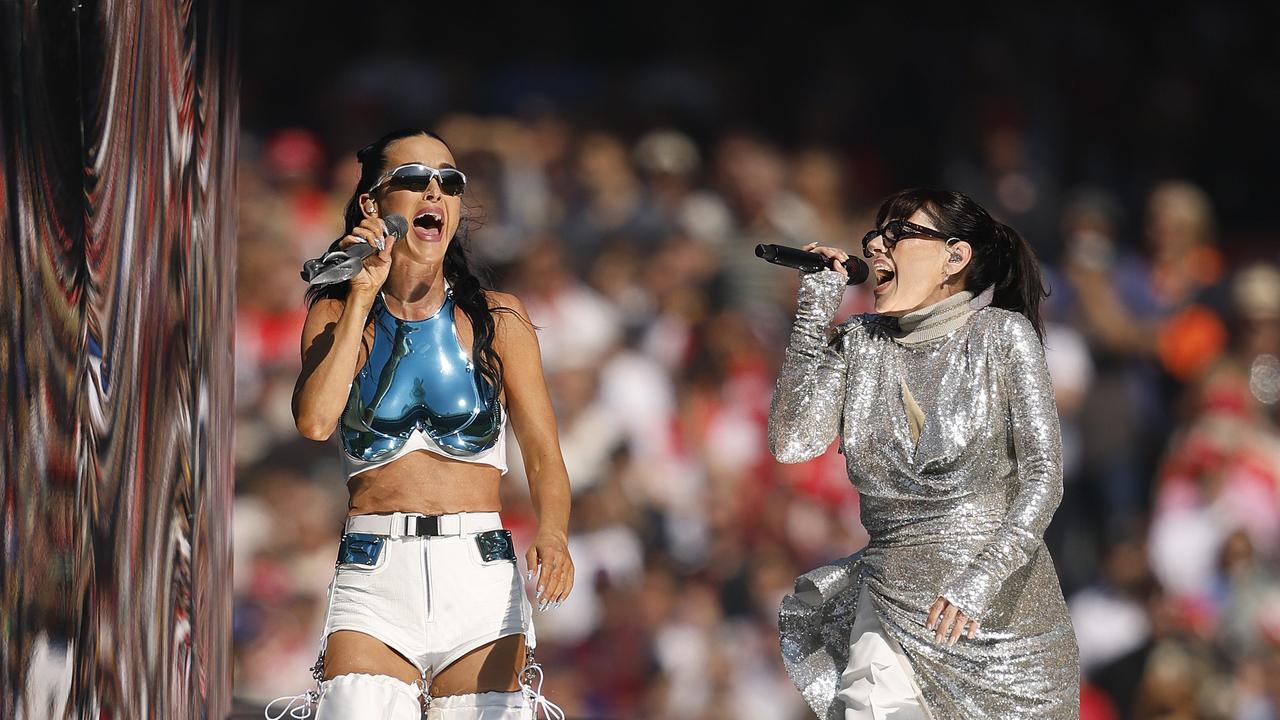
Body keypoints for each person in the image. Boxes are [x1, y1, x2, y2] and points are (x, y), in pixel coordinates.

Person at [274, 128, 573, 719]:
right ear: (373, 205)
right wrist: (361, 295)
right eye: (413, 180)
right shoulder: (335, 315)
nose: (434, 191)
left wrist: (555, 533)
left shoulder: (499, 318)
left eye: (449, 182)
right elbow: (313, 421)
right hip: (376, 569)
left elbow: (541, 451)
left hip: (481, 570)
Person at [770, 189, 1080, 719]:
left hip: (1004, 624)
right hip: (891, 610)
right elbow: (792, 441)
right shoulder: (859, 343)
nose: (876, 249)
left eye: (898, 235)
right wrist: (813, 314)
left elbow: (1044, 475)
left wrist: (979, 580)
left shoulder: (1002, 335)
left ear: (954, 257)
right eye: (875, 236)